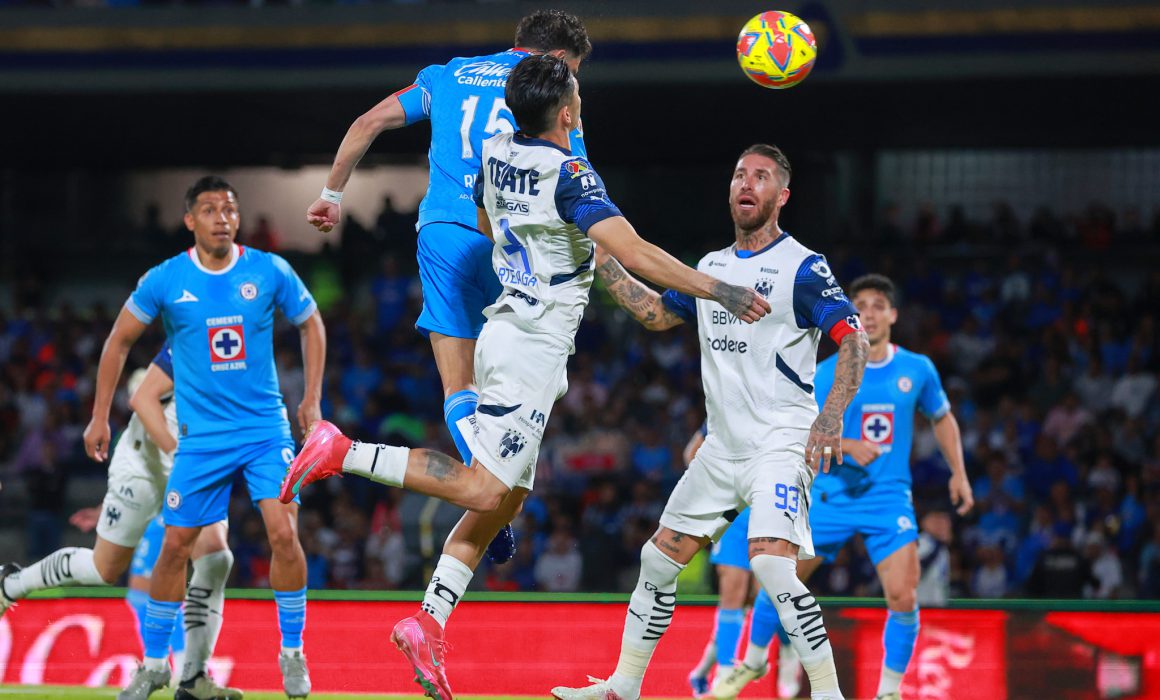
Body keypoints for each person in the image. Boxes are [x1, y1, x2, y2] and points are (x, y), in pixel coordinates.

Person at [281, 55, 769, 700]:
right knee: (487, 490)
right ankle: (342, 451)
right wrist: (719, 289)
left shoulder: (499, 152)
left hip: (518, 331)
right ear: (567, 111)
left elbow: (489, 223)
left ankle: (429, 620)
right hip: (528, 347)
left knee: (506, 499)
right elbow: (637, 252)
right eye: (577, 92)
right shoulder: (571, 174)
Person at [552, 143, 868, 700]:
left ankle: (827, 693)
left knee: (771, 568)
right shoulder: (712, 269)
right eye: (740, 174)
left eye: (762, 176)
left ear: (782, 196)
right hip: (722, 448)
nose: (747, 183)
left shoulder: (803, 266)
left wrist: (830, 417)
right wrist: (605, 259)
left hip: (781, 442)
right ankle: (623, 686)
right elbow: (654, 314)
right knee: (657, 558)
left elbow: (854, 341)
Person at [304, 9, 593, 568]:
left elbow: (368, 122)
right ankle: (492, 501)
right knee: (513, 383)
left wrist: (332, 195)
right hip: (516, 241)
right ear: (558, 61)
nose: (574, 83)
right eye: (574, 71)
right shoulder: (555, 96)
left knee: (458, 385)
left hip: (444, 233)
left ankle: (482, 492)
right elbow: (572, 175)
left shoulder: (449, 74)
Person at [81, 176, 326, 700]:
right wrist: (100, 415)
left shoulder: (269, 270)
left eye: (230, 208)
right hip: (201, 439)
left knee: (283, 535)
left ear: (238, 218)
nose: (222, 216)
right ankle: (153, 665)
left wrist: (311, 399)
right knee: (174, 549)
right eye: (210, 209)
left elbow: (311, 323)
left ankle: (292, 653)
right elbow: (118, 342)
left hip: (265, 431)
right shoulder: (165, 280)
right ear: (189, 219)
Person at [725, 273, 975, 700]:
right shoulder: (824, 374)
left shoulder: (917, 369)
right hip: (829, 497)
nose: (869, 313)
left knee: (903, 594)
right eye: (859, 305)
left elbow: (942, 418)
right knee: (778, 580)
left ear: (893, 314)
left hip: (887, 500)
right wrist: (846, 443)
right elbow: (796, 430)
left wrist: (959, 472)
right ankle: (752, 659)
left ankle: (890, 692)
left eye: (879, 305)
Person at [1, 352, 239, 700]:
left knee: (216, 557)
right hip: (146, 466)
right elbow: (141, 395)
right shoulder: (192, 341)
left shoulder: (245, 360)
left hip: (192, 469)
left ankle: (192, 677)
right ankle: (12, 582)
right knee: (105, 568)